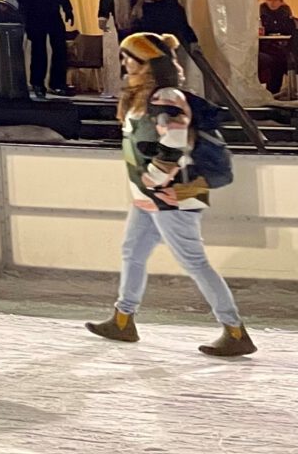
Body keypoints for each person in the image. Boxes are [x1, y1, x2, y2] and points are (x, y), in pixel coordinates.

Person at [85, 33, 256, 358]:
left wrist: (154, 178)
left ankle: (234, 331)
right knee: (132, 251)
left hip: (175, 194)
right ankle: (123, 320)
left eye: (130, 57)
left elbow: (175, 141)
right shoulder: (144, 95)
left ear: (149, 61)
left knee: (193, 261)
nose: (125, 63)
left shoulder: (166, 95)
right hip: (153, 195)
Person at [10, 0, 77, 99]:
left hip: (53, 13)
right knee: (39, 49)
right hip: (34, 15)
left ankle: (57, 83)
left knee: (60, 48)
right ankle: (37, 83)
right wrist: (27, 3)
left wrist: (68, 9)